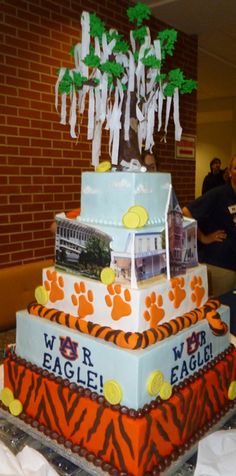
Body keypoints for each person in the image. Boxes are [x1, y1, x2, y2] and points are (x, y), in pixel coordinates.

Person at [183, 155, 236, 296]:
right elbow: (186, 212)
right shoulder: (220, 194)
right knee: (223, 312)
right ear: (230, 172)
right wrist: (203, 237)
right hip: (221, 265)